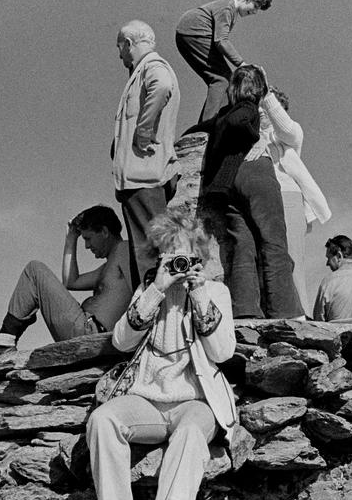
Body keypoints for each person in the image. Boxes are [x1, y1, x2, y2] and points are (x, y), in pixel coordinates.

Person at [86, 206, 239, 500]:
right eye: (170, 254)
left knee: (189, 436)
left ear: (201, 256)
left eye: (185, 254)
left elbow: (222, 352)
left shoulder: (215, 291)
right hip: (147, 402)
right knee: (103, 421)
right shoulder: (148, 291)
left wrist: (199, 291)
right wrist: (157, 287)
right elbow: (121, 341)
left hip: (195, 402)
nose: (178, 261)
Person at [0, 206, 132, 370]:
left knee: (34, 270)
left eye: (88, 238)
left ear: (104, 231)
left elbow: (142, 266)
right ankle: (2, 343)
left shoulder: (125, 250)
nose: (87, 246)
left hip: (90, 334)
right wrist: (71, 238)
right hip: (87, 334)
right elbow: (71, 281)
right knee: (35, 272)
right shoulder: (109, 266)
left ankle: (2, 344)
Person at [199, 65, 304, 319]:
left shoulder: (224, 115)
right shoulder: (248, 114)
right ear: (259, 92)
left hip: (228, 182)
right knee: (274, 242)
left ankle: (245, 312)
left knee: (243, 244)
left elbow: (203, 128)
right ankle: (285, 313)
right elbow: (244, 119)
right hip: (257, 175)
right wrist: (253, 135)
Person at [113, 20, 181, 286]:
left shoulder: (153, 67)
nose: (120, 55)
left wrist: (143, 130)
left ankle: (156, 317)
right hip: (140, 178)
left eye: (120, 47)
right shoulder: (142, 71)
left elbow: (162, 86)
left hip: (144, 177)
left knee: (151, 255)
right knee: (149, 253)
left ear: (129, 44)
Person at [256, 86, 331, 307]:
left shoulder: (288, 136)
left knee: (292, 258)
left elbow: (287, 128)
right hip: (260, 200)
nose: (261, 110)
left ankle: (299, 310)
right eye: (258, 105)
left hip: (287, 197)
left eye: (266, 106)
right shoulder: (250, 136)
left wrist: (267, 97)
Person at [174, 0, 274, 123]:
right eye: (255, 6)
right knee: (222, 79)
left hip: (189, 33)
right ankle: (206, 125)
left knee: (224, 78)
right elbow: (221, 40)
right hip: (194, 32)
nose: (254, 12)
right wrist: (241, 64)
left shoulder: (230, 10)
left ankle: (212, 120)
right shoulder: (228, 8)